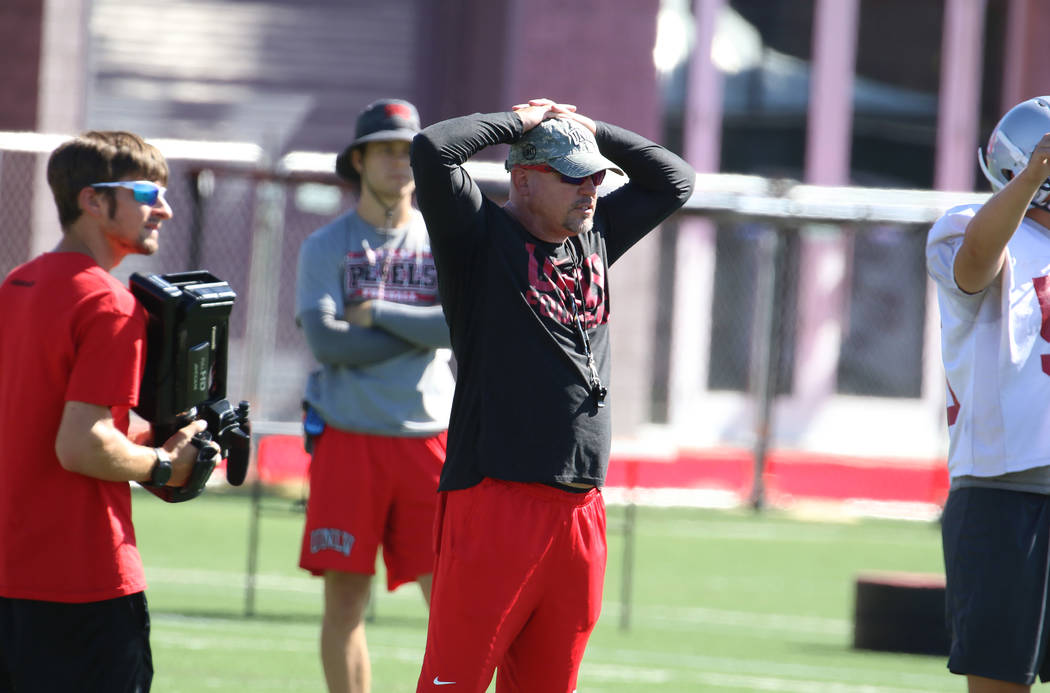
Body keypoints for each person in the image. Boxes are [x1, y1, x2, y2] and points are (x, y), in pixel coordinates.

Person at [409, 98, 695, 692]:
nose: (590, 190)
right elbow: (434, 150)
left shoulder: (595, 236)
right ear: (524, 179)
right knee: (454, 684)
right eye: (573, 177)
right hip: (497, 499)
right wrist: (522, 121)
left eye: (595, 178)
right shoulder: (479, 241)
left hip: (581, 508)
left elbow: (676, 180)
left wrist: (594, 132)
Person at [0, 131, 217, 692]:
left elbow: (40, 415)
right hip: (82, 582)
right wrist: (165, 466)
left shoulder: (16, 284)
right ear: (93, 201)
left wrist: (150, 435)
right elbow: (81, 445)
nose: (164, 209)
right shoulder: (110, 302)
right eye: (147, 192)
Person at [295, 98, 453, 693]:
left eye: (408, 148)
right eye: (385, 148)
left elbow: (459, 328)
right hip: (348, 439)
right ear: (358, 160)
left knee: (449, 601)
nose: (399, 159)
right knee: (344, 604)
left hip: (428, 440)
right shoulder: (327, 245)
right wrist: (417, 334)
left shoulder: (446, 239)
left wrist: (375, 314)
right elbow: (327, 343)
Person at [927, 95, 1050, 693]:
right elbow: (978, 261)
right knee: (1001, 682)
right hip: (1007, 489)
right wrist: (1033, 180)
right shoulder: (963, 224)